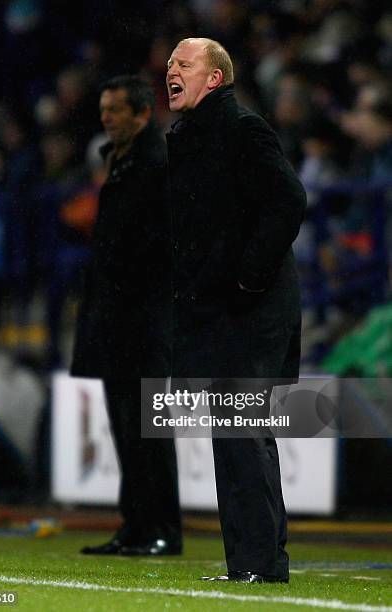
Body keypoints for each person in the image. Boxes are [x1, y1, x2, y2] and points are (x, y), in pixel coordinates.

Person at [165, 38, 306, 582]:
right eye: (171, 63)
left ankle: (258, 563)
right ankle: (257, 561)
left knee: (240, 432)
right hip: (225, 310)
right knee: (238, 435)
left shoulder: (242, 130)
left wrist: (249, 277)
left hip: (252, 309)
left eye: (185, 63)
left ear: (215, 79)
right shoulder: (191, 138)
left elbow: (288, 199)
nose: (172, 70)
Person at [71, 75, 182, 556]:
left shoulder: (154, 164)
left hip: (144, 318)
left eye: (116, 110)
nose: (106, 118)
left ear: (142, 114)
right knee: (124, 424)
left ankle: (162, 528)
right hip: (116, 316)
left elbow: (155, 245)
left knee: (147, 427)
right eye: (103, 109)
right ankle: (135, 525)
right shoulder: (118, 164)